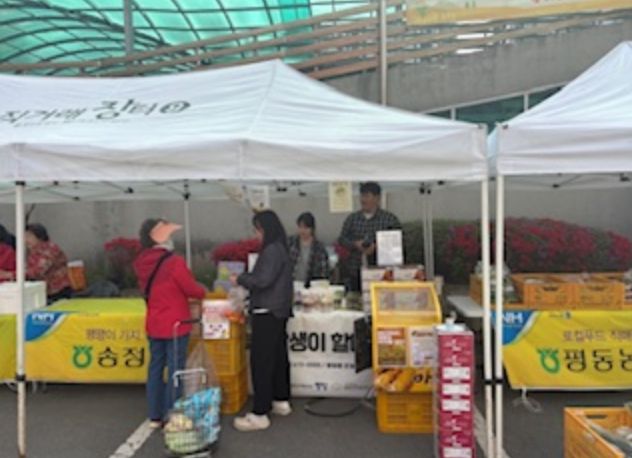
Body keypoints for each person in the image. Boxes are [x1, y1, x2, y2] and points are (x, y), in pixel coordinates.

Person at [133, 218, 206, 428]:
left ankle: (154, 415)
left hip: (154, 322)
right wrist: (204, 292)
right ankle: (172, 413)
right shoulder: (174, 262)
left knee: (155, 368)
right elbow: (191, 289)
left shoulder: (141, 262)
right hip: (176, 323)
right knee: (175, 369)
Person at [230, 210, 293, 432]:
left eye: (257, 230)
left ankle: (260, 413)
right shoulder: (281, 248)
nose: (256, 234)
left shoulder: (271, 250)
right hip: (278, 310)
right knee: (278, 357)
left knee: (262, 362)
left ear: (265, 229)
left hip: (267, 310)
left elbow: (262, 280)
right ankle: (280, 399)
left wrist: (240, 278)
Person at [338, 182, 402, 291]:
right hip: (355, 271)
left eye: (367, 196)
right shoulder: (352, 219)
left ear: (377, 198)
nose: (363, 200)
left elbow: (397, 242)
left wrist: (376, 247)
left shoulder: (389, 219)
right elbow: (342, 239)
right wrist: (355, 244)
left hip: (381, 272)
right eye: (362, 196)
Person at [0, 224, 73, 303]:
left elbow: (36, 271)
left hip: (57, 291)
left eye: (28, 236)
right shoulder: (33, 251)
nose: (25, 240)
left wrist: (9, 274)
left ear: (39, 236)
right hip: (43, 291)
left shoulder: (48, 249)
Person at [288, 212, 330, 287]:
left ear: (312, 229)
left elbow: (323, 271)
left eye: (306, 228)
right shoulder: (290, 243)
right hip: (291, 284)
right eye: (300, 227)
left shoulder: (319, 248)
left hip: (311, 286)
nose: (302, 230)